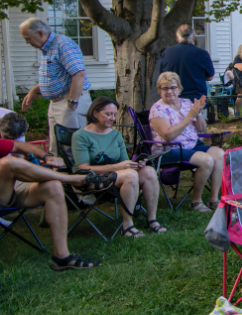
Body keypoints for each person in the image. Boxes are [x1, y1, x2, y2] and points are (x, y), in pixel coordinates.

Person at [0, 139, 114, 270]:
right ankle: (75, 180)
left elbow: (18, 145)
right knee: (8, 163)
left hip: (9, 188)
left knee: (53, 187)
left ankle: (62, 256)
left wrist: (46, 156)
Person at [72, 97, 164, 238]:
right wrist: (119, 166)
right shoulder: (80, 136)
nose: (113, 118)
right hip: (90, 179)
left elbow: (124, 161)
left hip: (116, 175)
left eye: (114, 114)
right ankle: (128, 226)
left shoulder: (115, 134)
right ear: (95, 113)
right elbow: (82, 167)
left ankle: (152, 219)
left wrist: (135, 164)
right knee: (130, 175)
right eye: (108, 114)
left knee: (149, 172)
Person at [149, 72, 225, 213]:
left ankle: (214, 199)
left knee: (220, 154)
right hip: (168, 149)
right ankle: (196, 202)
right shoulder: (158, 109)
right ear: (159, 90)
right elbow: (168, 135)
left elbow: (201, 129)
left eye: (173, 87)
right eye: (165, 88)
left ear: (179, 88)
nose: (169, 91)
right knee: (206, 160)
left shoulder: (186, 103)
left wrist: (198, 114)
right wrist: (190, 116)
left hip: (191, 145)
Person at [19, 18, 93, 154]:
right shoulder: (48, 49)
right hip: (57, 103)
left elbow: (78, 74)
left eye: (28, 38)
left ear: (40, 33)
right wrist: (35, 90)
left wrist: (71, 103)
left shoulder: (63, 44)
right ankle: (58, 174)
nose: (27, 42)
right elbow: (56, 77)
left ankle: (80, 175)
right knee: (56, 148)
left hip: (70, 102)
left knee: (72, 148)